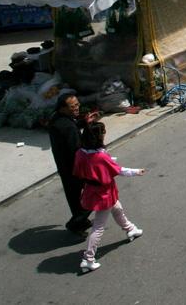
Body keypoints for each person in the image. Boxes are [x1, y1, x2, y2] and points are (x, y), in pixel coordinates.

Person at [74, 122, 146, 273]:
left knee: (118, 209)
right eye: (103, 132)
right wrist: (136, 171)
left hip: (92, 191)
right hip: (104, 193)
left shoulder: (80, 153)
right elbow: (118, 170)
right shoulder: (101, 156)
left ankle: (130, 229)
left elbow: (80, 170)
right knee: (99, 227)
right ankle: (88, 259)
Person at [48, 93, 93, 236]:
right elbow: (77, 150)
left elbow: (70, 127)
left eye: (77, 104)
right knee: (96, 192)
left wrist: (83, 122)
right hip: (75, 168)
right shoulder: (68, 127)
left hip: (64, 166)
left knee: (73, 198)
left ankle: (81, 223)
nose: (77, 108)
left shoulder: (56, 119)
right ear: (63, 108)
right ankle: (75, 223)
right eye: (73, 106)